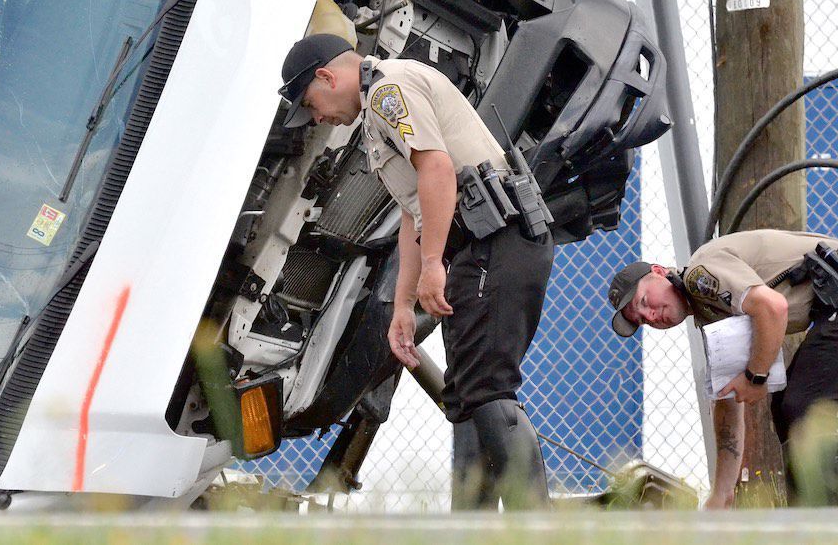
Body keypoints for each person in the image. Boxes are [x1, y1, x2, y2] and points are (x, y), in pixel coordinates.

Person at [279, 32, 554, 509]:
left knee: (488, 388)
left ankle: (543, 529)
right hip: (478, 246)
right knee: (466, 395)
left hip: (499, 237)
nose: (318, 117)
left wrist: (433, 264)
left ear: (328, 76)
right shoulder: (373, 114)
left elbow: (438, 170)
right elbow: (412, 212)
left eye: (312, 103)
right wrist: (403, 304)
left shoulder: (389, 89)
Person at [607, 229, 838, 507]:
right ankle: (811, 513)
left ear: (658, 272)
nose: (651, 316)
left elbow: (772, 308)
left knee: (804, 406)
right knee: (787, 407)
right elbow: (728, 401)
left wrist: (755, 376)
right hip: (829, 309)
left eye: (644, 302)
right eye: (643, 320)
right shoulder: (709, 314)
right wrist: (722, 492)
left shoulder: (700, 274)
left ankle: (822, 520)